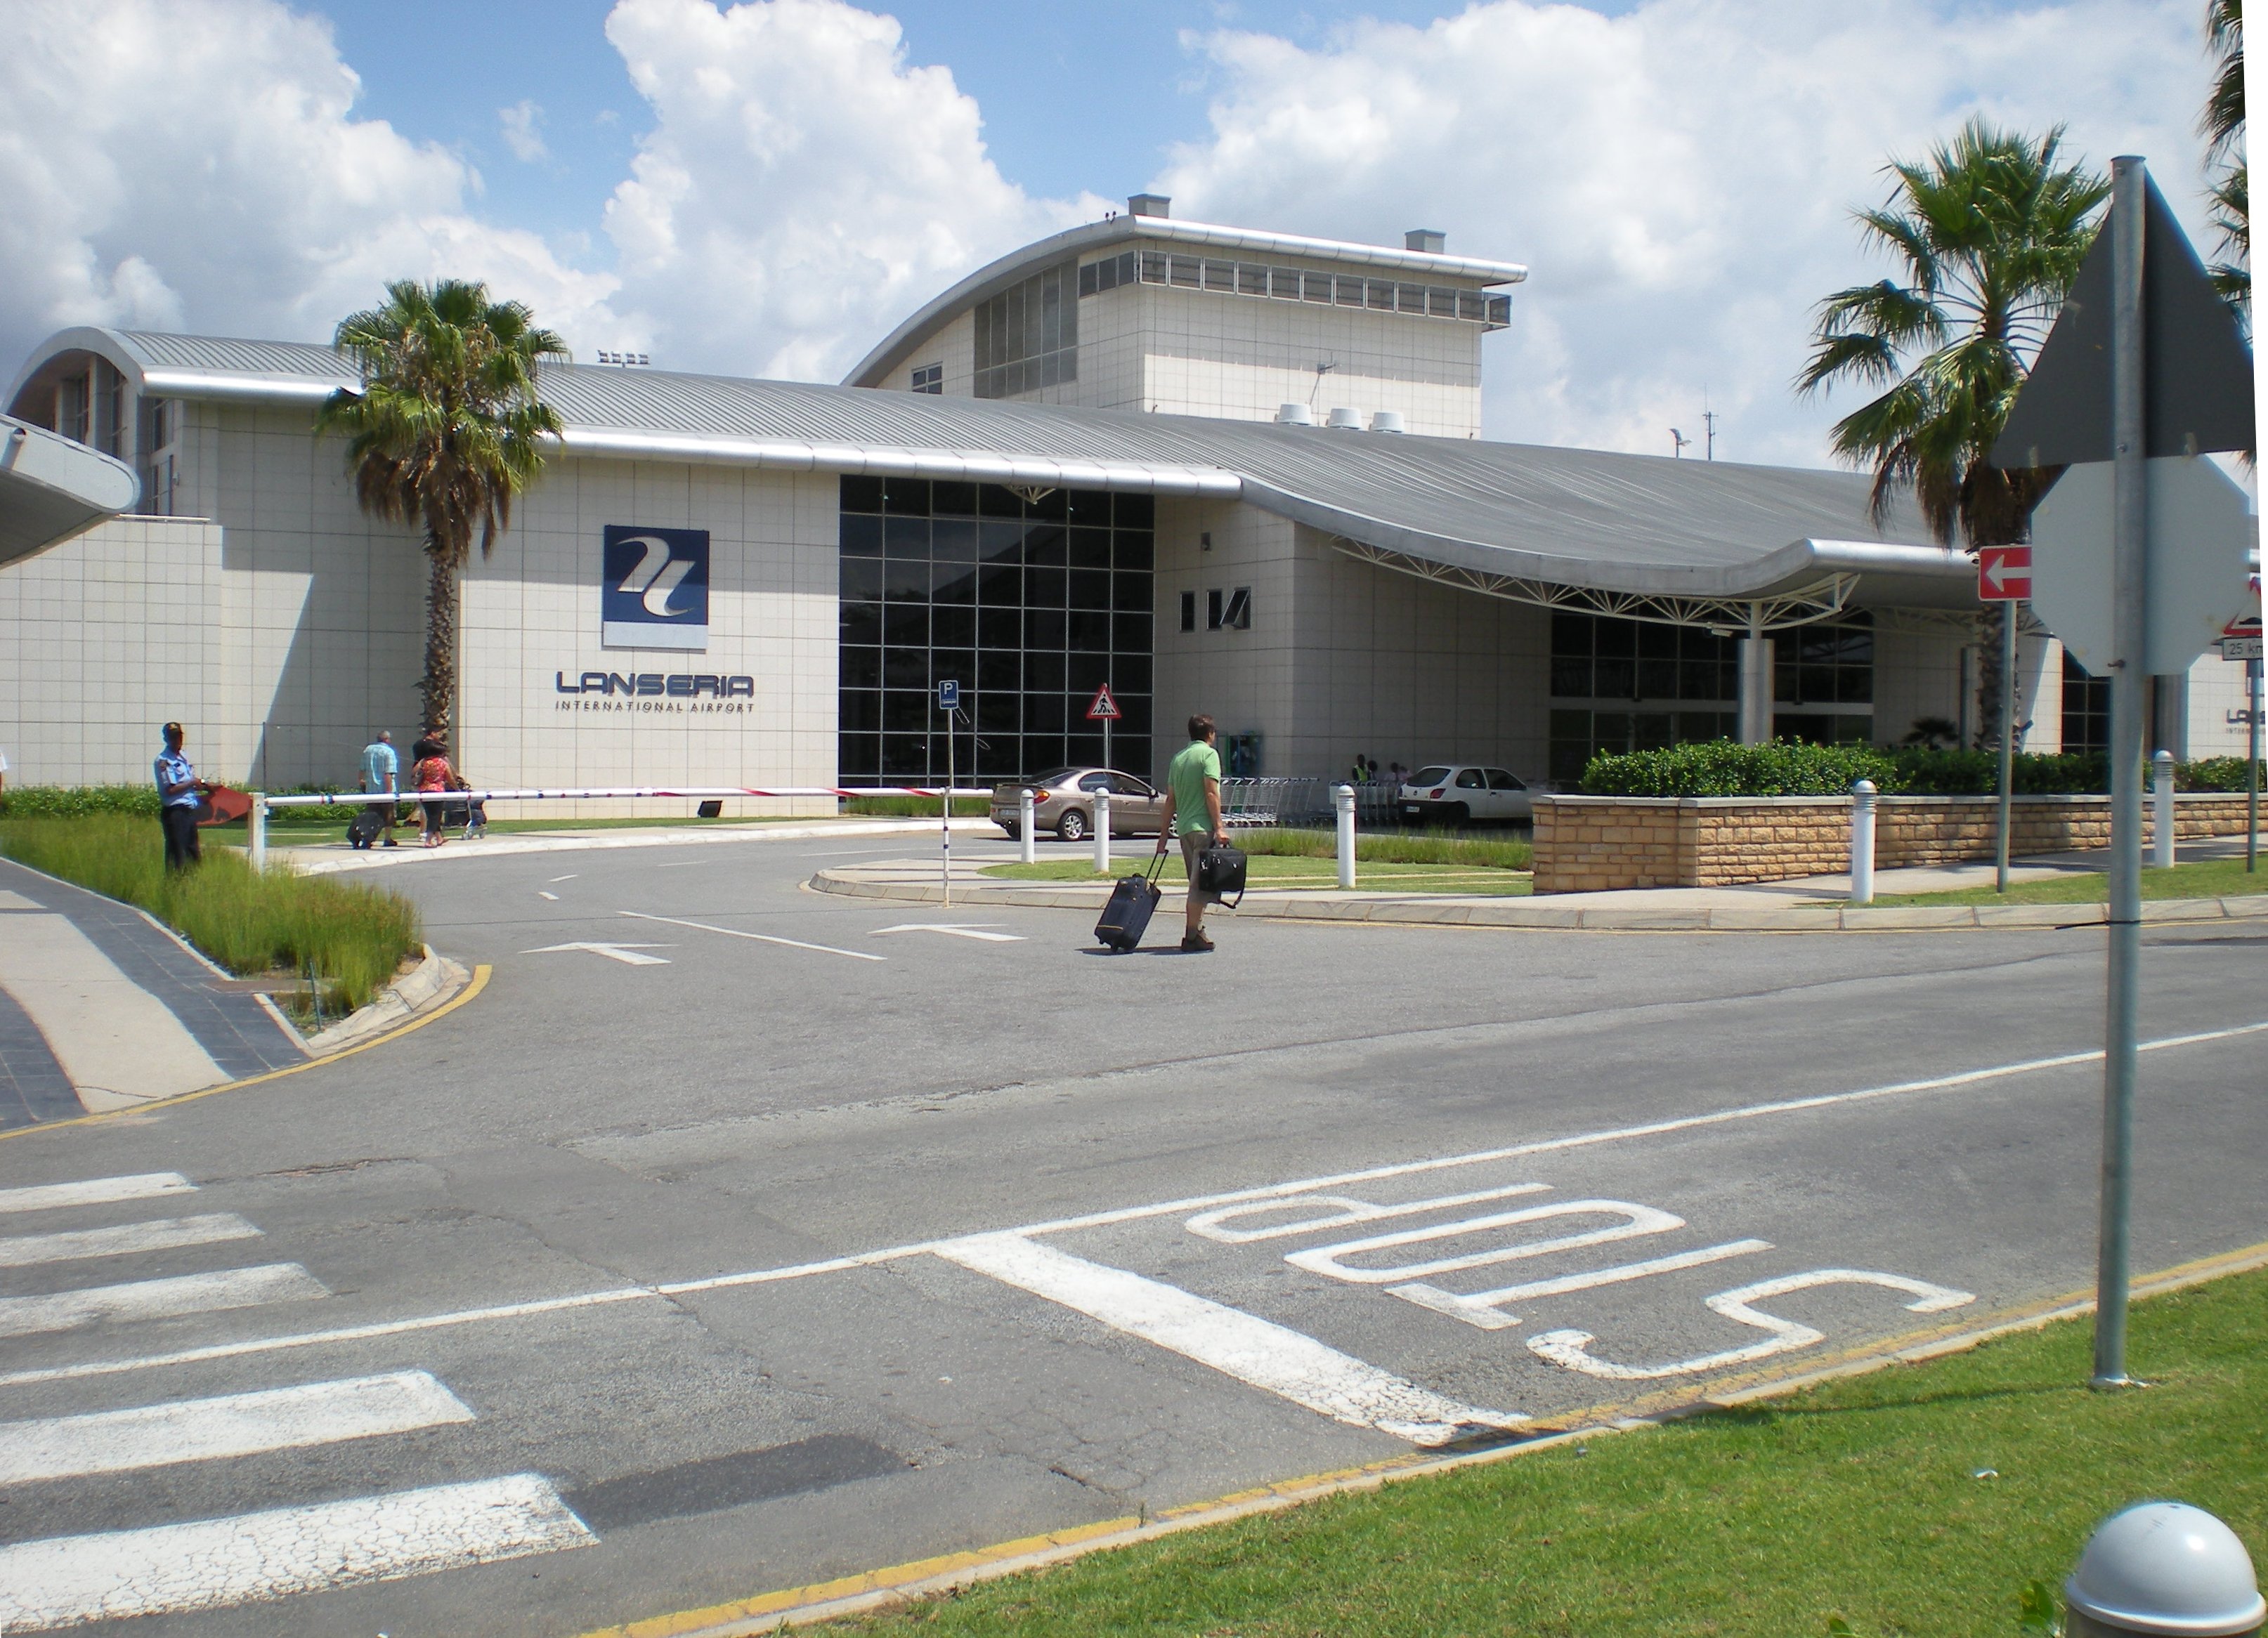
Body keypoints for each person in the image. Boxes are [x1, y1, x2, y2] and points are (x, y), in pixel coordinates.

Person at [1156, 713, 1228, 953]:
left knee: (1198, 882)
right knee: (1199, 886)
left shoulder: (1179, 759)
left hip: (1185, 828)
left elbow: (1171, 801)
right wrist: (1219, 826)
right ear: (1210, 734)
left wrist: (1163, 835)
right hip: (1202, 828)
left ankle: (1198, 929)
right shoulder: (1209, 755)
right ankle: (1190, 936)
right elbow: (1211, 792)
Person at [154, 722, 204, 870]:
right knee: (178, 855)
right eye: (173, 737)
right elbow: (170, 790)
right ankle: (174, 886)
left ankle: (193, 884)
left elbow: (191, 781)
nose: (177, 740)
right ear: (166, 739)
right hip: (175, 812)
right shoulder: (164, 761)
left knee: (193, 852)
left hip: (188, 811)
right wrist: (192, 783)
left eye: (179, 736)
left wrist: (202, 784)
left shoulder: (184, 757)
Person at [411, 736, 455, 848]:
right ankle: (428, 840)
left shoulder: (424, 762)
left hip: (424, 791)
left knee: (431, 815)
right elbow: (450, 778)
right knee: (435, 817)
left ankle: (439, 838)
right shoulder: (442, 763)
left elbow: (413, 772)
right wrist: (457, 789)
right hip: (437, 791)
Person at [360, 729, 400, 847]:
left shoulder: (368, 750)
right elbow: (388, 773)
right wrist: (389, 792)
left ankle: (367, 839)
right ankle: (387, 839)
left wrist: (362, 783)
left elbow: (362, 769)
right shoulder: (389, 752)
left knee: (371, 815)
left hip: (371, 790)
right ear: (387, 740)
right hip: (384, 789)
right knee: (388, 815)